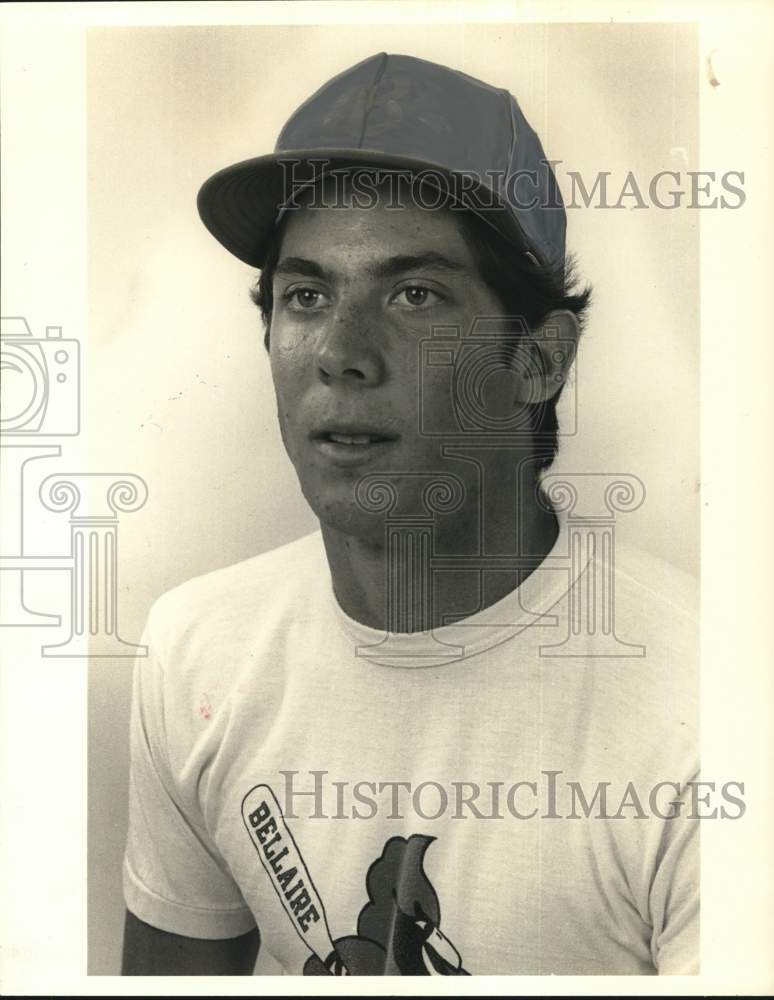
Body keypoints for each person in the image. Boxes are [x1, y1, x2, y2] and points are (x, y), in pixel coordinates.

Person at [121, 53, 698, 976]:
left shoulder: (709, 709)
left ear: (539, 360)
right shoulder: (196, 648)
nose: (342, 354)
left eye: (415, 294)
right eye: (306, 296)